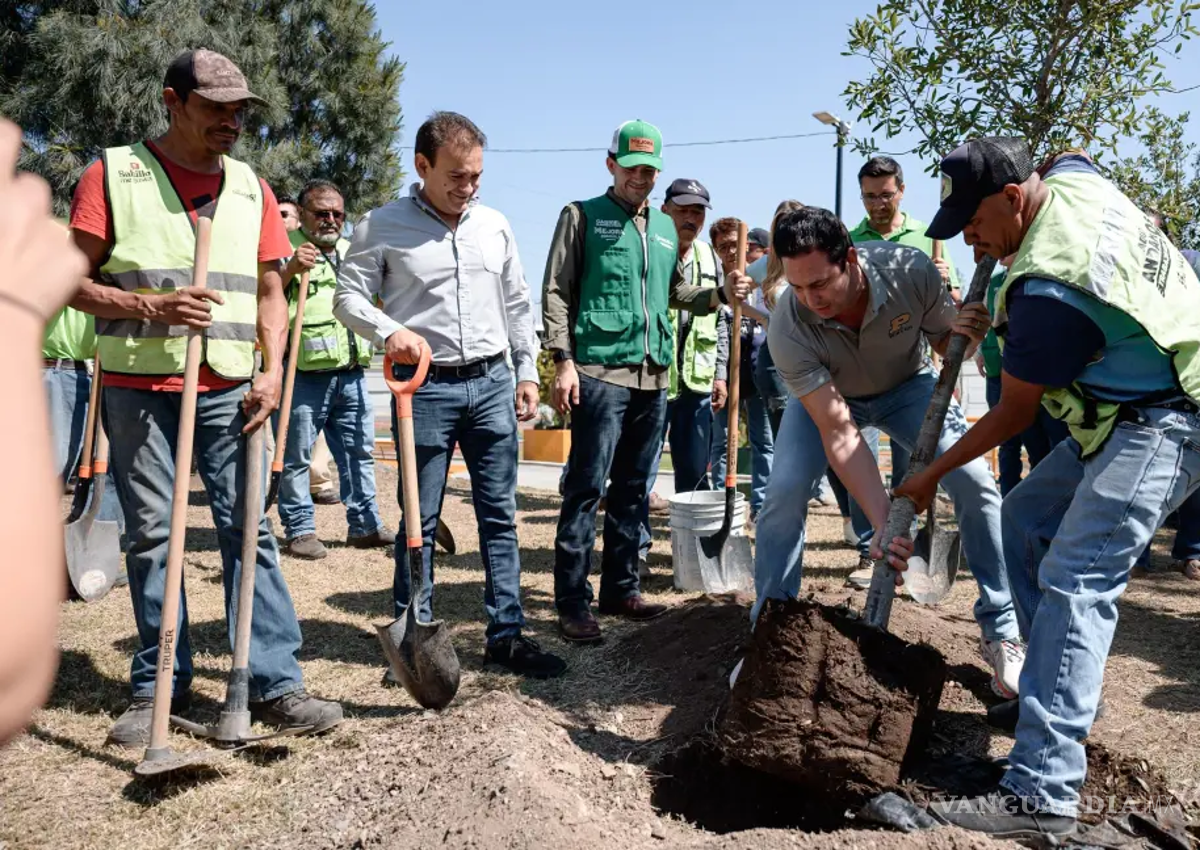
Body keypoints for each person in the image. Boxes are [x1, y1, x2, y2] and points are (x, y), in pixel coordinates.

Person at [897, 139, 1200, 839]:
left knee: (1075, 578)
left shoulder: (1045, 288)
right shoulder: (1069, 183)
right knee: (1024, 516)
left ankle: (1040, 794)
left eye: (973, 222)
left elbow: (1016, 413)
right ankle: (1054, 697)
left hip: (1168, 418)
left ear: (1013, 198)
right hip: (1127, 408)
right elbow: (1075, 153)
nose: (968, 238)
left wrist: (928, 478)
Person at [68, 49, 342, 746]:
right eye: (216, 106)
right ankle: (159, 686)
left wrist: (273, 370)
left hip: (233, 388)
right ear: (173, 100)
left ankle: (275, 683)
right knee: (153, 537)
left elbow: (272, 291)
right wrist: (150, 306)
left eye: (239, 109)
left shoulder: (251, 186)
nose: (231, 120)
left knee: (250, 533)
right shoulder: (114, 174)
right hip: (138, 388)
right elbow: (68, 280)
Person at [736, 206, 1024, 701]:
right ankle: (772, 629)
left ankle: (1002, 629)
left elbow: (945, 345)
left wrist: (966, 338)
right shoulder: (789, 325)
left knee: (976, 485)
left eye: (821, 284)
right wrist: (886, 524)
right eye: (798, 287)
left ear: (849, 257)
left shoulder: (907, 271)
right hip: (828, 401)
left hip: (907, 388)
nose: (811, 299)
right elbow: (841, 432)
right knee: (782, 495)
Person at [334, 111, 565, 679]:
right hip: (425, 390)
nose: (469, 187)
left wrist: (525, 372)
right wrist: (392, 332)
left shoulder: (495, 226)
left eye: (477, 176)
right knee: (420, 518)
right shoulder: (381, 226)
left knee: (499, 517)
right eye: (457, 176)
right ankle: (414, 640)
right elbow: (346, 297)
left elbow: (516, 303)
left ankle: (506, 636)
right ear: (422, 166)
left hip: (490, 385)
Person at [542, 119, 749, 643]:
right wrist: (563, 361)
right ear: (611, 164)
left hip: (656, 376)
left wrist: (723, 293)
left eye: (650, 169)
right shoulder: (582, 217)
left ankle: (621, 589)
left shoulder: (662, 226)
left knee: (635, 488)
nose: (641, 177)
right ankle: (572, 601)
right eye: (632, 168)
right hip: (599, 372)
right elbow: (557, 292)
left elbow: (679, 293)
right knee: (587, 488)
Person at [0, 117, 87, 745]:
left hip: (82, 372)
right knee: (45, 475)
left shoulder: (63, 246)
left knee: (63, 477)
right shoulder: (22, 251)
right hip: (41, 367)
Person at [274, 179, 393, 560]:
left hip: (353, 371)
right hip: (304, 373)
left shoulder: (353, 251)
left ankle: (365, 524)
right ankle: (300, 530)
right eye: (320, 213)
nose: (330, 220)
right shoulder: (282, 249)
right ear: (303, 213)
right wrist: (291, 268)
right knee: (297, 455)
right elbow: (264, 294)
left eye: (337, 214)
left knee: (359, 452)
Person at [976, 257, 1069, 496]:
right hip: (998, 370)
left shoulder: (1037, 276)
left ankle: (1051, 497)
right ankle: (1010, 498)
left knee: (1048, 439)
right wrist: (979, 351)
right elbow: (985, 320)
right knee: (1008, 441)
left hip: (1034, 373)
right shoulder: (993, 282)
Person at [710, 223, 775, 525]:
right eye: (723, 246)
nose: (731, 251)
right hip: (725, 372)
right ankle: (722, 503)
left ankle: (761, 507)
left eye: (737, 244)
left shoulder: (760, 278)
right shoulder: (713, 282)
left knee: (764, 441)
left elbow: (770, 315)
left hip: (757, 367)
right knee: (722, 442)